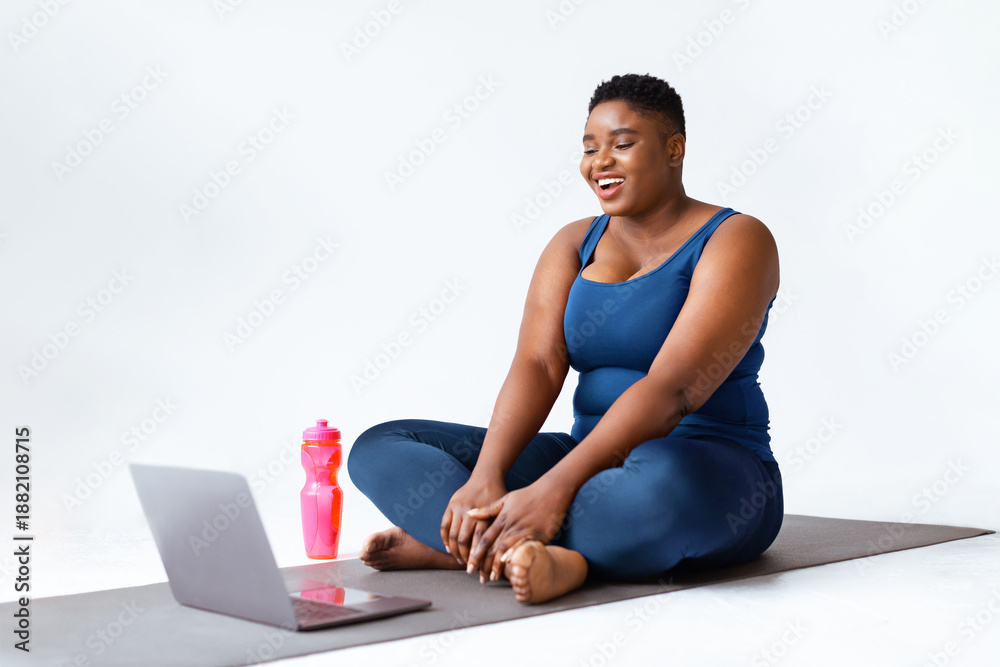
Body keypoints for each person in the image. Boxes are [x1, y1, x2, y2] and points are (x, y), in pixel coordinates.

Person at [347, 73, 783, 605]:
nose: (601, 162)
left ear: (674, 149)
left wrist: (553, 490)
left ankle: (465, 547)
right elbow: (537, 363)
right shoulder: (575, 242)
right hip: (585, 459)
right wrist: (486, 477)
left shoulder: (736, 238)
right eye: (590, 148)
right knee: (381, 448)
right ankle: (522, 545)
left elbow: (673, 390)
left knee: (655, 493)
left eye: (622, 144)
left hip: (706, 466)